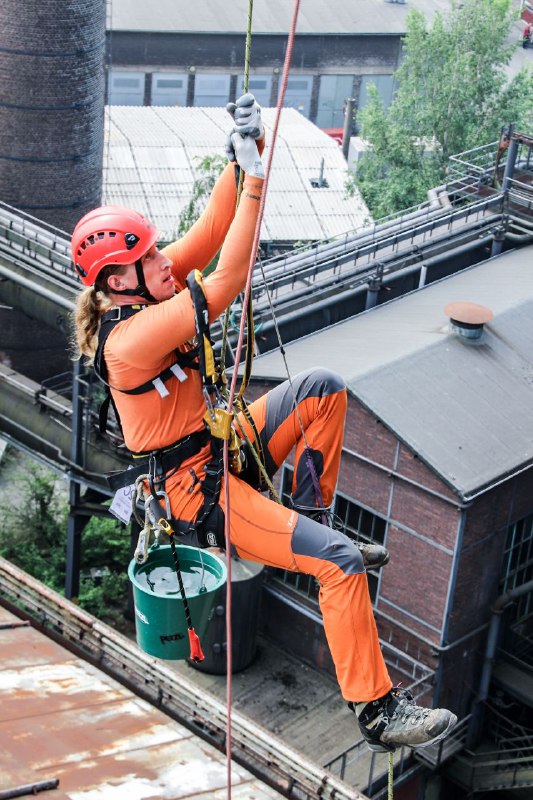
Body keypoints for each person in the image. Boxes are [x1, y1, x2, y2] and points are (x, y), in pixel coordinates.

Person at [71, 94, 457, 752]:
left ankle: (312, 519)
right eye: (151, 257)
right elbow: (229, 276)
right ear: (120, 280)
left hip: (225, 448)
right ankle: (377, 712)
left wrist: (239, 153)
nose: (167, 259)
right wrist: (253, 179)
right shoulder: (127, 342)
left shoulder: (153, 291)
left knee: (318, 391)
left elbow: (209, 233)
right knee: (340, 566)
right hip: (202, 492)